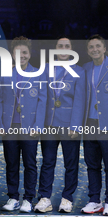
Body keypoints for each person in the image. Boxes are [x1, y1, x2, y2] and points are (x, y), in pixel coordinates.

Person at [0, 36, 47, 213]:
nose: (21, 55)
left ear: (29, 53)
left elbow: (43, 101)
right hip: (9, 127)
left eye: (24, 52)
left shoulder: (38, 73)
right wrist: (0, 123)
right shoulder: (5, 73)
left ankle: (28, 198)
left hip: (29, 127)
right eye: (18, 52)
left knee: (30, 164)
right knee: (11, 163)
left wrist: (38, 126)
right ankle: (13, 197)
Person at [34, 37, 85, 213]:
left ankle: (67, 198)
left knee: (71, 164)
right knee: (47, 162)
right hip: (49, 124)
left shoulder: (79, 71)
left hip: (69, 124)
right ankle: (45, 198)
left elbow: (80, 101)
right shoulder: (46, 69)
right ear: (55, 49)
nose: (63, 49)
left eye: (67, 46)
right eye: (60, 46)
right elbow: (41, 99)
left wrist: (76, 125)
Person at [81, 34, 108, 215]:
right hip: (89, 122)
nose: (95, 50)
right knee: (92, 164)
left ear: (104, 49)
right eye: (91, 47)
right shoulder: (85, 68)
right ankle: (94, 200)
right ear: (88, 51)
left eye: (98, 46)